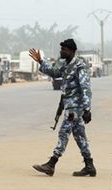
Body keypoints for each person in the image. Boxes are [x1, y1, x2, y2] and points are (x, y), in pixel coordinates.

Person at [29, 38, 95, 177]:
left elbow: (85, 88)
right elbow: (54, 72)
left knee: (64, 132)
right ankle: (89, 166)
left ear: (71, 51)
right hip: (69, 105)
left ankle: (51, 164)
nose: (61, 51)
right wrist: (41, 61)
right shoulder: (67, 65)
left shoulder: (79, 65)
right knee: (79, 136)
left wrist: (87, 109)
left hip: (75, 108)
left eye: (63, 49)